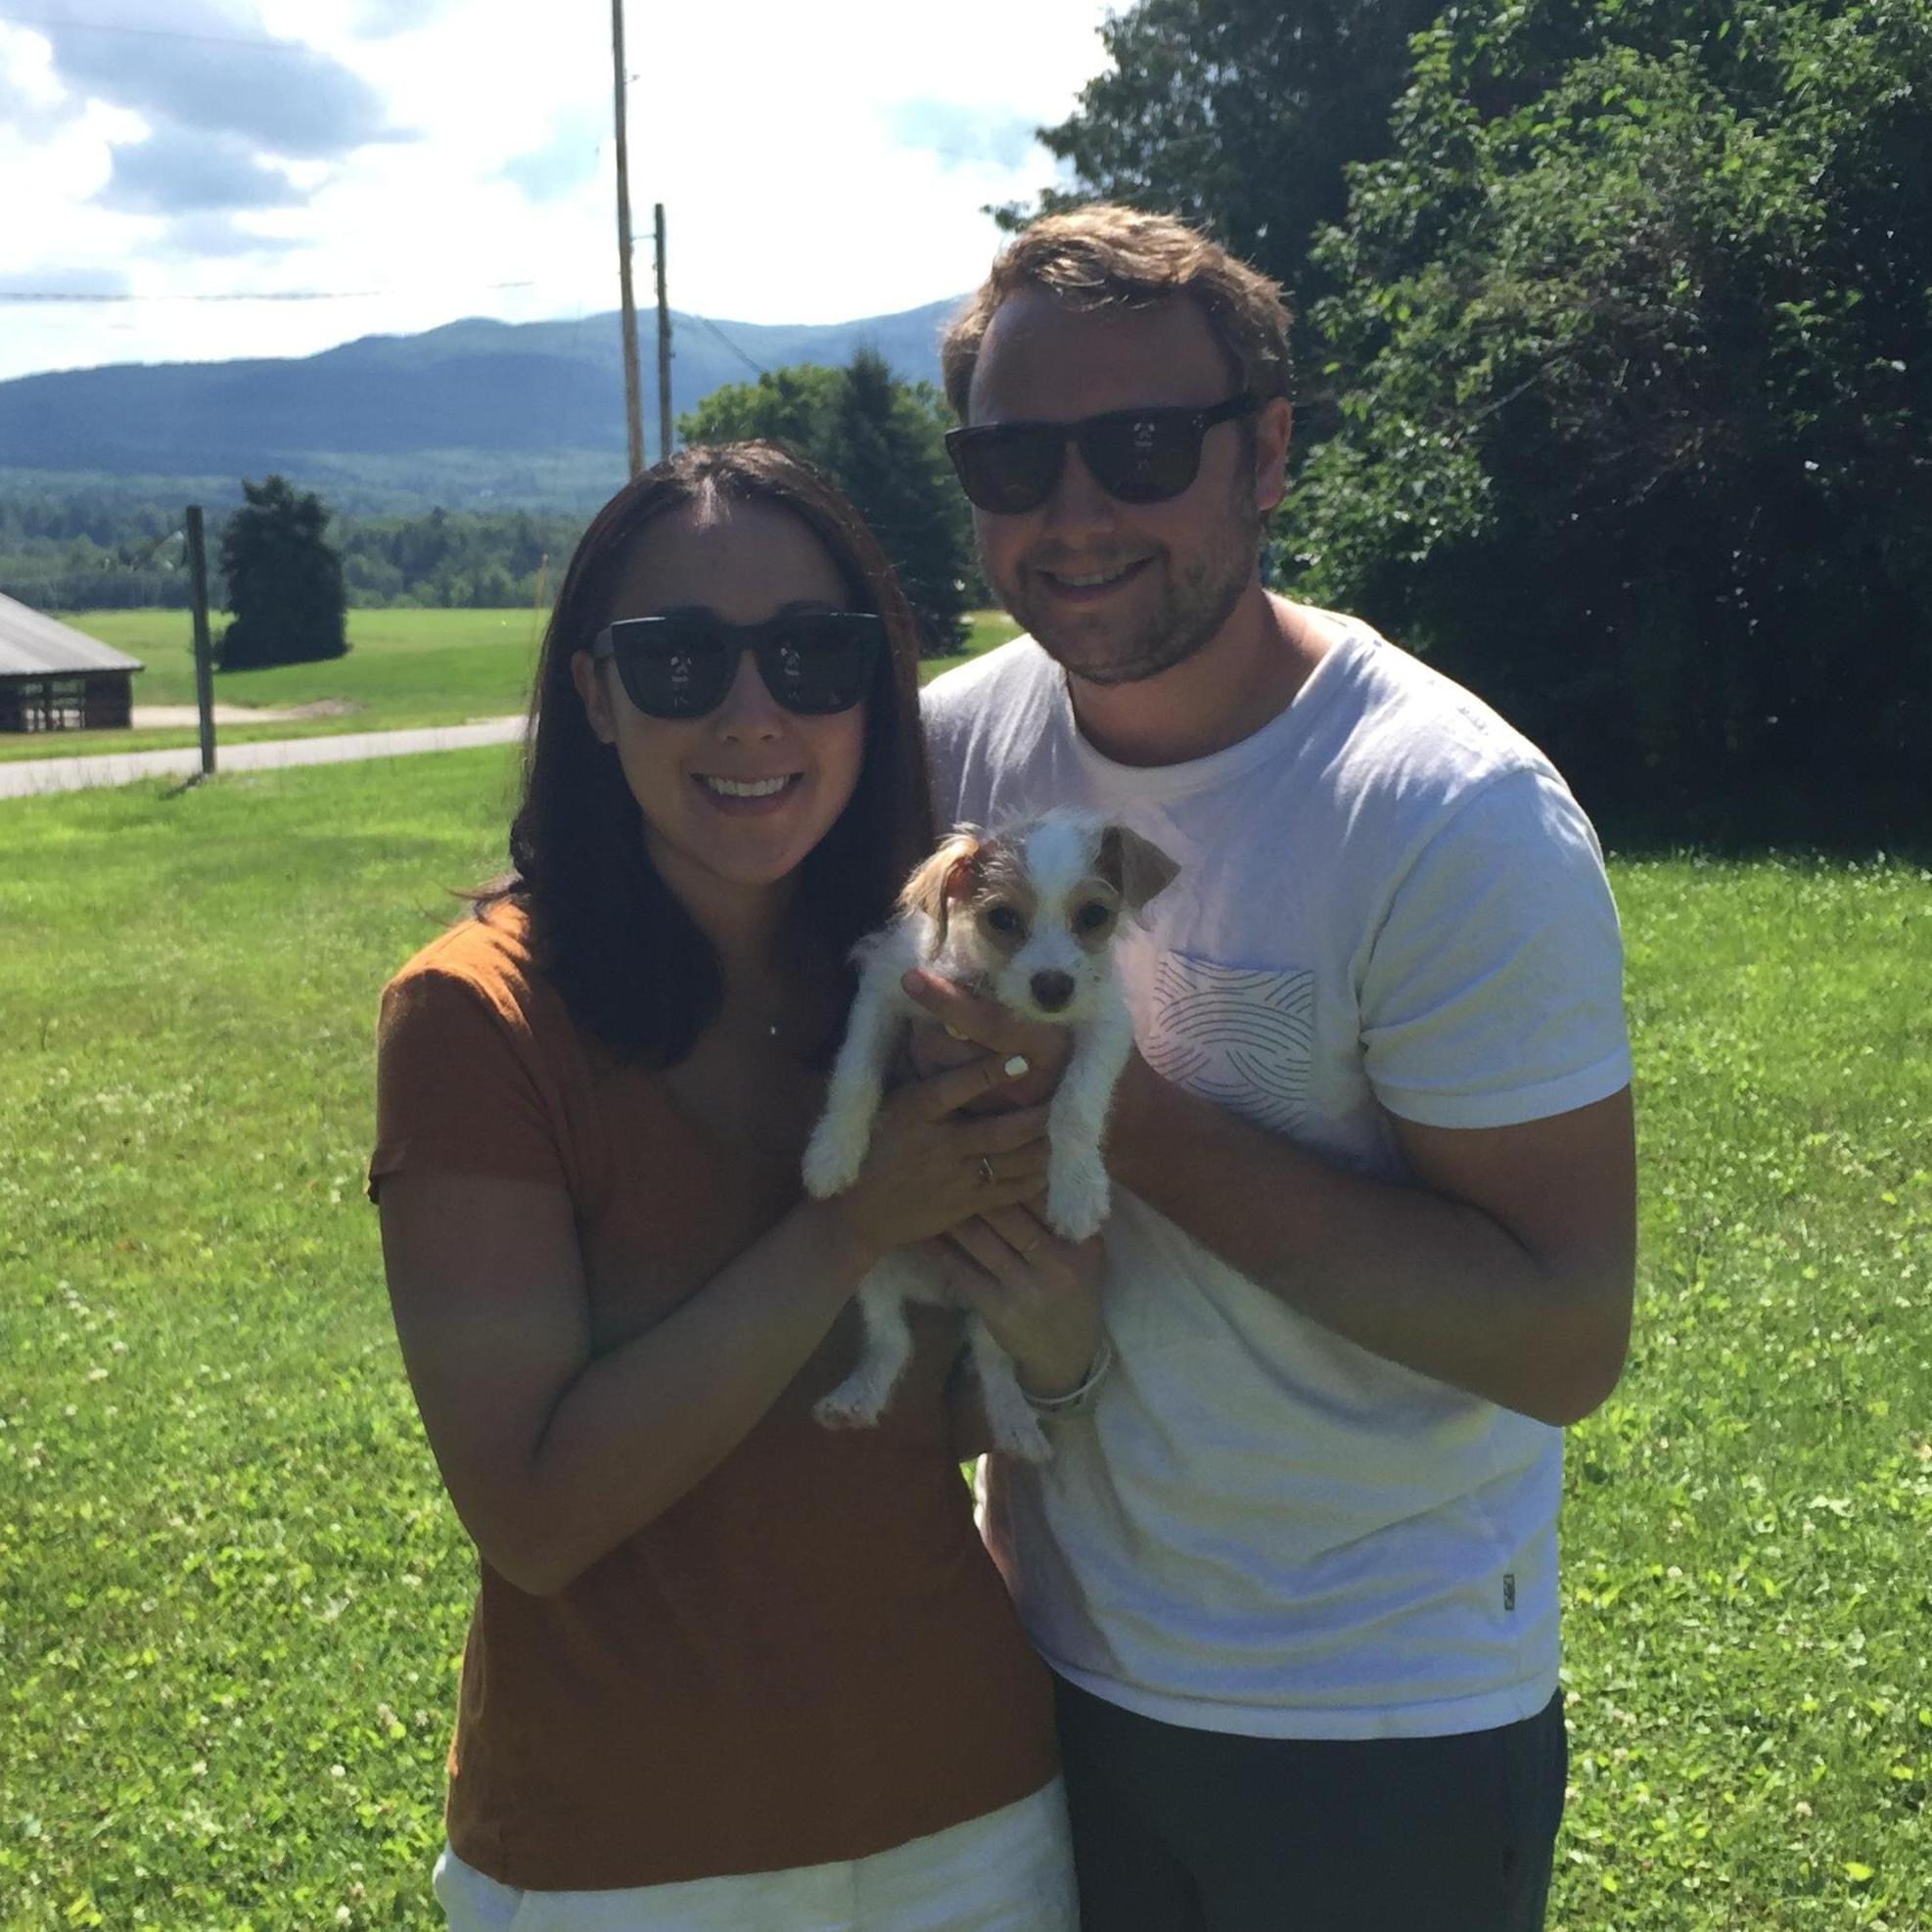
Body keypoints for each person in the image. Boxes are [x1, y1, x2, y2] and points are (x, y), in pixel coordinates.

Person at [909, 206, 1638, 1931]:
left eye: (1142, 448)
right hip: (1035, 1658)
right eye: (1016, 458)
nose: (1075, 513)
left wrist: (1111, 1100)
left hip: (1372, 1715)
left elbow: (1558, 1336)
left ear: (1267, 455)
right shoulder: (959, 745)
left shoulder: (1447, 814)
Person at [368, 442, 1102, 1930]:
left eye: (812, 656)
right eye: (680, 658)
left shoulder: (928, 994)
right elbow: (534, 1511)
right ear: (594, 694)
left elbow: (947, 1409)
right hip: (624, 1852)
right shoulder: (475, 1020)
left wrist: (1055, 1342)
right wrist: (849, 1224)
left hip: (968, 1809)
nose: (753, 712)